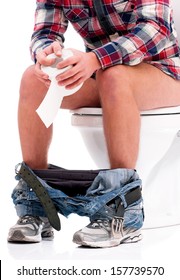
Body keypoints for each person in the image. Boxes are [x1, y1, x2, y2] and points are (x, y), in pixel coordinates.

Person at [8, 0, 180, 248]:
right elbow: (45, 31)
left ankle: (122, 211)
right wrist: (46, 55)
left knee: (114, 76)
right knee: (33, 81)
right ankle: (37, 203)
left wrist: (97, 59)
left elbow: (155, 28)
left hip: (162, 71)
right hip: (101, 72)